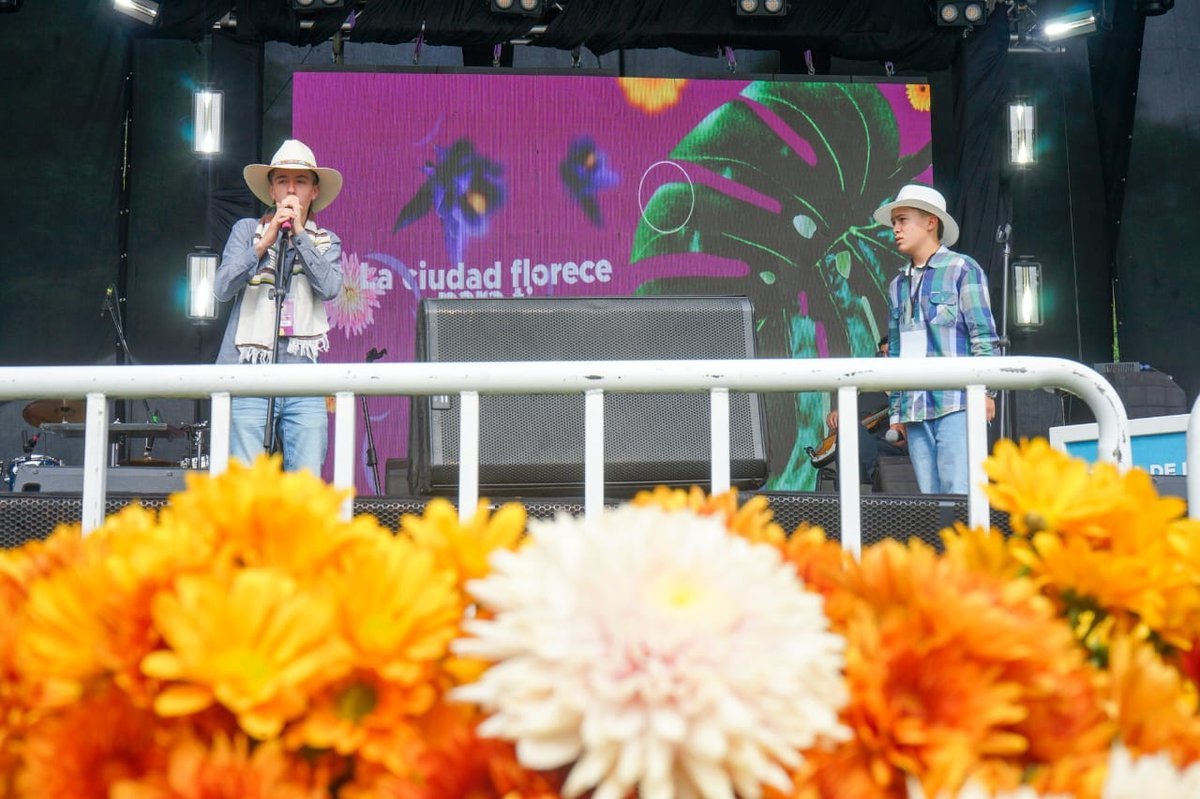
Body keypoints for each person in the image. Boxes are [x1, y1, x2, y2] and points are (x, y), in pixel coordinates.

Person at [214, 139, 344, 474]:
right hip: (249, 374)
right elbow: (222, 288)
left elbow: (330, 288)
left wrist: (299, 234)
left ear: (314, 192)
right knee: (246, 486)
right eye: (283, 181)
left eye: (300, 182)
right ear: (271, 190)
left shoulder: (326, 241)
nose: (290, 190)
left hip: (303, 378)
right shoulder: (247, 230)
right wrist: (264, 242)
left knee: (306, 486)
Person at [875, 184, 998, 494]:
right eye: (894, 223)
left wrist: (986, 392)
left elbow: (983, 334)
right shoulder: (897, 284)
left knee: (960, 492)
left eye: (903, 220)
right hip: (915, 406)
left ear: (931, 222)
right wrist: (896, 412)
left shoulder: (962, 269)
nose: (896, 229)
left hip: (956, 401)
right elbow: (897, 354)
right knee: (931, 501)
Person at [822, 337, 907, 484]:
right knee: (848, 431)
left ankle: (874, 475)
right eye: (881, 354)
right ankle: (845, 493)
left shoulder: (910, 393)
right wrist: (839, 412)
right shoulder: (867, 391)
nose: (885, 358)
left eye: (890, 354)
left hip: (892, 451)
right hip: (862, 452)